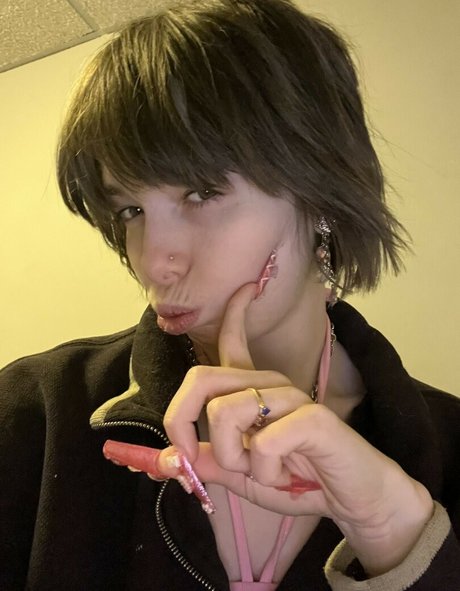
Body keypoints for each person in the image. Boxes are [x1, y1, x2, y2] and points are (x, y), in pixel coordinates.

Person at [1, 0, 459, 589]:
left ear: (320, 192)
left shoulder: (448, 440)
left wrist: (395, 533)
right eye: (131, 210)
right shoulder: (38, 414)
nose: (153, 261)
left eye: (201, 192)